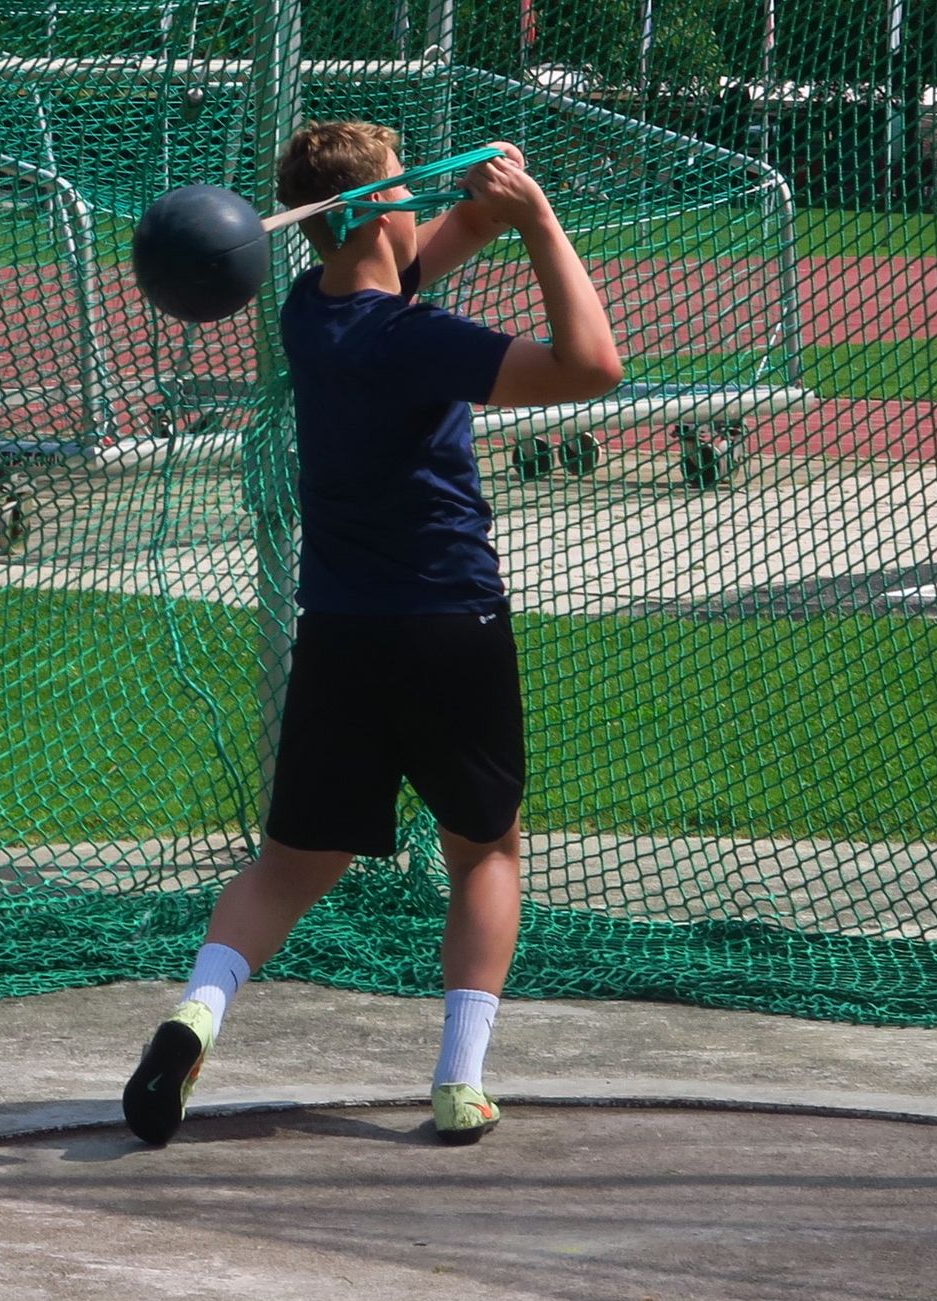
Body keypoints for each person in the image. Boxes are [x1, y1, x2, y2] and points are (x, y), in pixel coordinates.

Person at [122, 121, 623, 1148]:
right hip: (448, 627)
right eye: (403, 189)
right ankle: (458, 1081)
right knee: (485, 852)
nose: (416, 204)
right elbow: (592, 368)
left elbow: (419, 247)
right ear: (373, 215)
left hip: (341, 634)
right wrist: (538, 221)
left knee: (288, 866)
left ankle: (197, 1013)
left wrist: (484, 198)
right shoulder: (415, 339)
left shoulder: (310, 313)